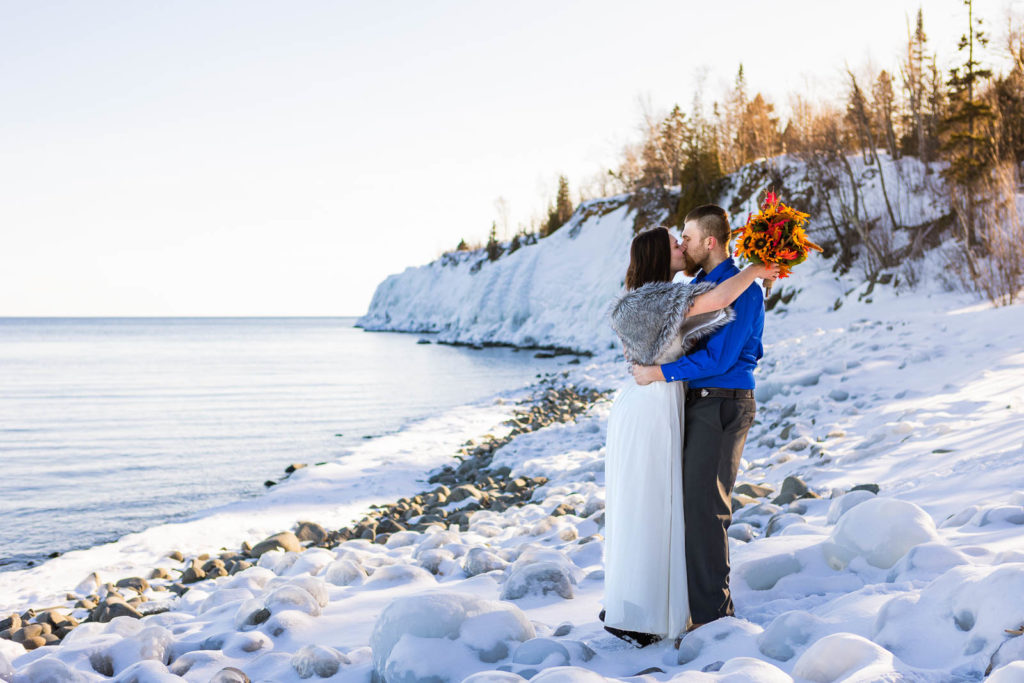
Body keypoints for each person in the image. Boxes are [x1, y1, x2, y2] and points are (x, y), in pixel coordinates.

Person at [603, 226, 777, 646]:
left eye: (684, 239)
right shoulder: (654, 298)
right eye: (674, 244)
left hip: (663, 402)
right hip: (652, 405)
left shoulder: (664, 292)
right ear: (659, 257)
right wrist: (756, 267)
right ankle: (642, 612)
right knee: (651, 506)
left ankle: (645, 608)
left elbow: (720, 317)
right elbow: (717, 301)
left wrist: (756, 288)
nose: (682, 246)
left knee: (662, 507)